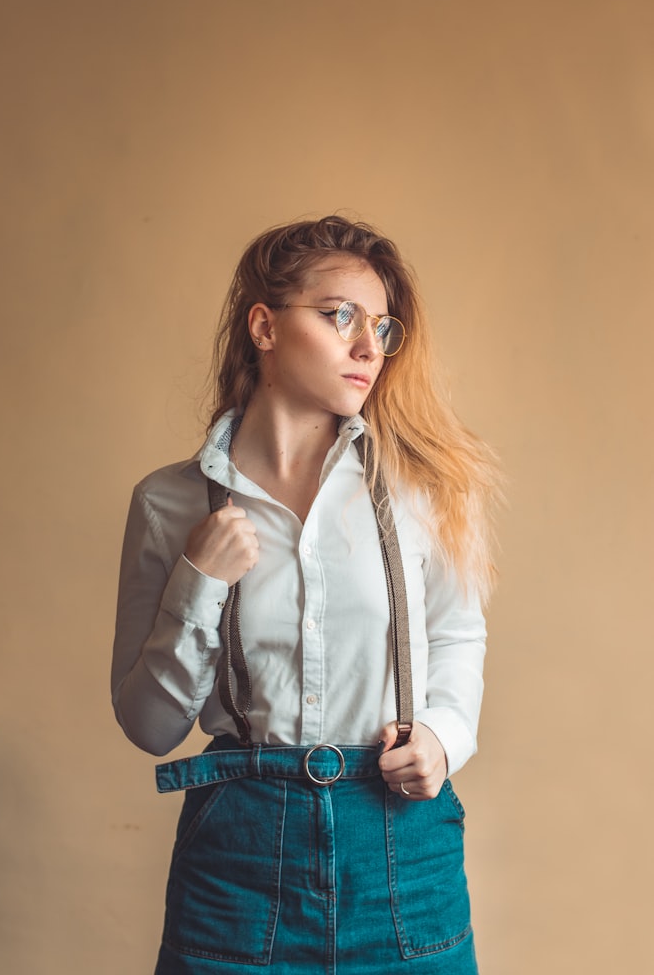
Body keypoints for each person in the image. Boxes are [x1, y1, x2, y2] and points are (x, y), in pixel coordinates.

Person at [111, 215, 501, 974]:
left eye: (381, 328)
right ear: (264, 325)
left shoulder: (423, 488)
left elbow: (457, 635)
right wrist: (197, 583)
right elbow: (149, 726)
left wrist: (443, 738)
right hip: (237, 855)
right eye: (339, 315)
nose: (367, 347)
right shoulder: (167, 504)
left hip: (399, 848)